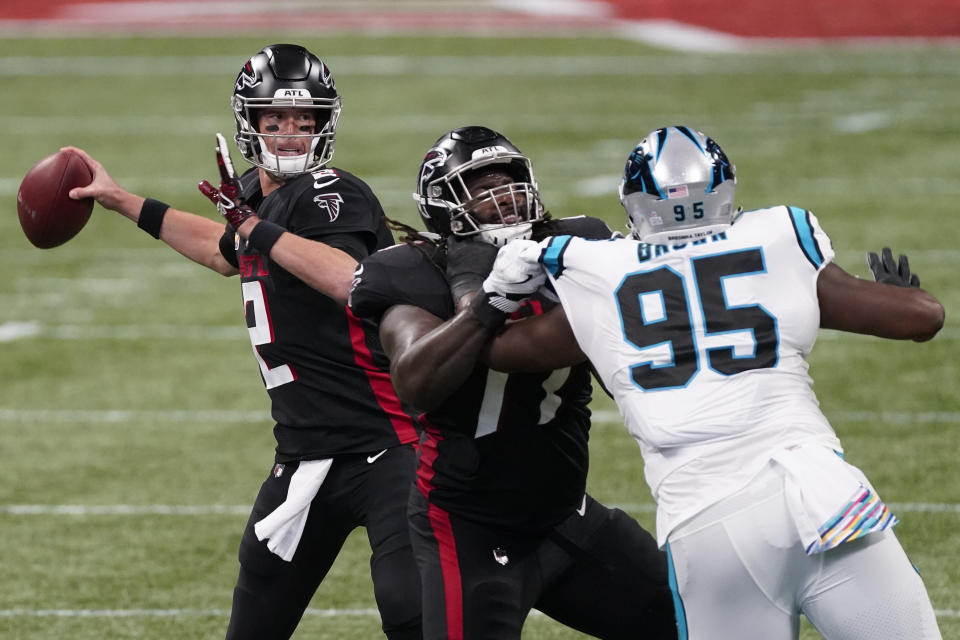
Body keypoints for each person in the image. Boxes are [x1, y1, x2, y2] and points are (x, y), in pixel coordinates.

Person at [475, 125, 945, 639]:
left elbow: (494, 351)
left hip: (707, 518)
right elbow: (922, 318)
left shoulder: (594, 269)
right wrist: (901, 296)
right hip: (822, 493)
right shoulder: (778, 235)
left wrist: (493, 296)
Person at [65, 44, 422, 640]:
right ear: (249, 123)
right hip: (306, 452)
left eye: (304, 121)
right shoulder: (258, 199)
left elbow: (346, 277)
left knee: (410, 609)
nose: (289, 134)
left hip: (390, 445)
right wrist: (121, 200)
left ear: (325, 125)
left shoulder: (332, 189)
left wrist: (255, 226)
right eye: (274, 121)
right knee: (255, 621)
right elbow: (220, 250)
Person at [349, 126, 677, 640]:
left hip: (566, 515)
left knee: (694, 619)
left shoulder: (578, 245)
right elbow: (416, 382)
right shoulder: (410, 272)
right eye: (481, 190)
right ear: (442, 206)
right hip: (468, 527)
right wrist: (489, 300)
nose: (504, 199)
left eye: (510, 183)